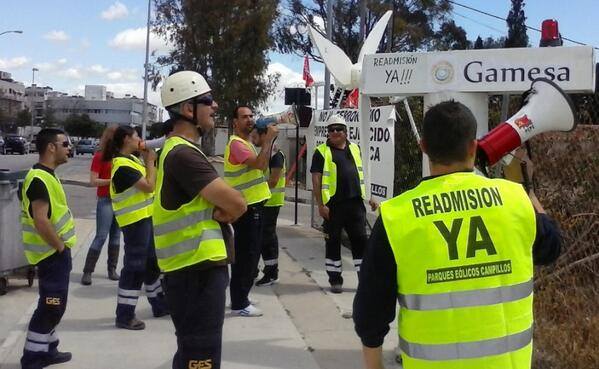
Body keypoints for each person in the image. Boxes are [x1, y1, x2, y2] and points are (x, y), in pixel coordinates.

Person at [353, 100, 562, 369]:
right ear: (473, 146)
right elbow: (552, 247)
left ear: (423, 147)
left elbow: (370, 313)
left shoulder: (396, 215)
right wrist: (528, 190)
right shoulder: (516, 200)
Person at [156, 70, 247, 369]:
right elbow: (236, 202)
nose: (215, 106)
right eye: (207, 101)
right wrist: (232, 208)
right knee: (201, 357)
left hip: (190, 271)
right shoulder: (184, 155)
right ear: (187, 109)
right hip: (196, 272)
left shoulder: (177, 150)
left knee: (189, 352)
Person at [20, 128, 75, 369]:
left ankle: (48, 349)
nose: (69, 148)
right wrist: (60, 247)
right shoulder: (39, 178)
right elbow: (41, 220)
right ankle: (33, 357)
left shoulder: (47, 175)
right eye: (65, 144)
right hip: (51, 253)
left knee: (55, 305)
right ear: (51, 147)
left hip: (54, 253)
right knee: (51, 306)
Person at [104, 125, 168, 330]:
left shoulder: (132, 160)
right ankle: (124, 315)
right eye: (136, 136)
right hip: (134, 221)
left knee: (151, 263)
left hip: (145, 218)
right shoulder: (122, 166)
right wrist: (150, 161)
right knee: (135, 267)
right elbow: (149, 185)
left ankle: (159, 304)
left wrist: (151, 161)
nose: (140, 139)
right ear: (126, 140)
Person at [310, 114, 377, 294]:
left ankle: (364, 280)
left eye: (339, 129)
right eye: (331, 130)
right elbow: (316, 180)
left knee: (361, 242)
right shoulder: (321, 152)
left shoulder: (355, 149)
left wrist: (370, 196)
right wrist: (320, 205)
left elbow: (364, 174)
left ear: (346, 132)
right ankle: (335, 280)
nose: (335, 132)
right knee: (333, 242)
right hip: (333, 206)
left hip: (355, 204)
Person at [224, 106, 277, 316]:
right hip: (246, 207)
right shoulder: (237, 144)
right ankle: (239, 303)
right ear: (235, 122)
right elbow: (261, 165)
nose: (250, 120)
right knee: (247, 256)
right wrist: (269, 140)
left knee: (250, 254)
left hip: (251, 206)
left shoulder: (244, 143)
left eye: (251, 116)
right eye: (244, 117)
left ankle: (241, 295)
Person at [81, 126, 120, 285]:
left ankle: (112, 269)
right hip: (106, 199)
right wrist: (112, 182)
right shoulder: (100, 156)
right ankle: (88, 271)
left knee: (116, 236)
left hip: (120, 201)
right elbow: (93, 181)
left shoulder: (123, 157)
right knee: (102, 235)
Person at [250, 127, 286, 286]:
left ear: (265, 135)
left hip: (270, 202)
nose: (253, 139)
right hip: (263, 200)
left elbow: (273, 181)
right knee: (258, 237)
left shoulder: (276, 155)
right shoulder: (266, 154)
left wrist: (253, 190)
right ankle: (254, 270)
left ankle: (271, 273)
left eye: (255, 135)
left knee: (267, 238)